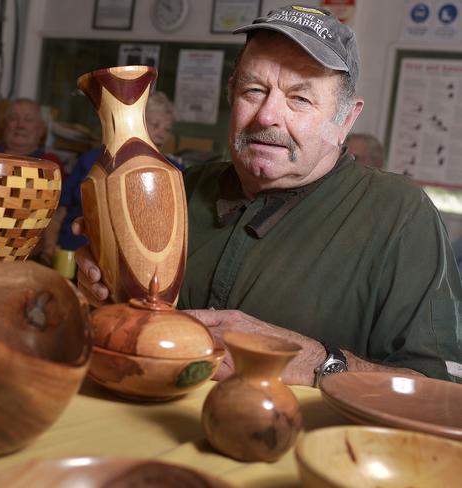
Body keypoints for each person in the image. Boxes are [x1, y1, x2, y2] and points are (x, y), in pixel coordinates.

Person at [75, 5, 462, 385]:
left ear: (345, 119)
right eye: (254, 90)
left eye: (300, 98)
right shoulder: (182, 187)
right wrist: (101, 292)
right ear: (232, 94)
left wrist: (315, 363)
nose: (266, 116)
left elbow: (437, 390)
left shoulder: (399, 216)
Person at [38, 91, 182, 264]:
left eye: (167, 129)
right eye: (155, 125)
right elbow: (60, 211)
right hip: (72, 255)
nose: (161, 134)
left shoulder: (172, 171)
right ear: (132, 124)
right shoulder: (92, 160)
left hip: (128, 263)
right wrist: (49, 246)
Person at [0, 98, 65, 176]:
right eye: (14, 118)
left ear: (41, 129)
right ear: (4, 125)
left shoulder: (51, 164)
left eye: (28, 120)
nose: (20, 125)